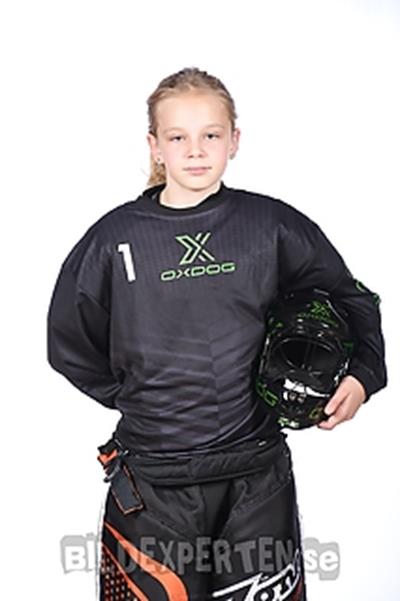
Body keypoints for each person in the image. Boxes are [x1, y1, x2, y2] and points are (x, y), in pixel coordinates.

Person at [47, 66, 387, 601]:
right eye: (177, 137)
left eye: (210, 134)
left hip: (256, 477)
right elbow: (69, 343)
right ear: (155, 146)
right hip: (154, 485)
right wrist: (142, 397)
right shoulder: (114, 240)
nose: (196, 151)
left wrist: (363, 375)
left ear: (235, 140)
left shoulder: (270, 226)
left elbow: (351, 299)